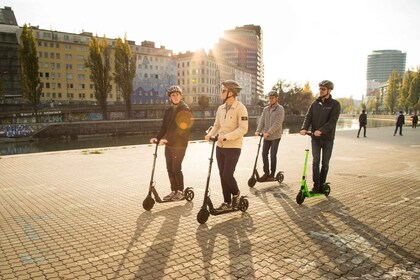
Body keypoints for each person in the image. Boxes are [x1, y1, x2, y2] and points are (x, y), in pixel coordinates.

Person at [205, 80, 248, 211]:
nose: (221, 93)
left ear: (231, 93)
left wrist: (227, 137)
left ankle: (236, 193)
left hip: (233, 147)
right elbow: (217, 125)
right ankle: (227, 202)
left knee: (227, 175)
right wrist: (210, 134)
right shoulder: (220, 108)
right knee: (222, 175)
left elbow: (243, 129)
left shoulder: (240, 108)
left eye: (223, 90)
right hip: (220, 146)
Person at [149, 85, 192, 201]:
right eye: (173, 95)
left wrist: (168, 139)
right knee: (169, 168)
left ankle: (181, 192)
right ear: (170, 98)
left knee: (176, 168)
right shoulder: (168, 111)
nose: (176, 97)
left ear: (180, 95)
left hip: (180, 144)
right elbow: (164, 128)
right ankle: (174, 191)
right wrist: (157, 138)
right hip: (169, 144)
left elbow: (182, 128)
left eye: (177, 94)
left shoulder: (185, 109)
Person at [300, 80, 341, 194]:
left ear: (329, 90)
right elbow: (308, 117)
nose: (321, 91)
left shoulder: (335, 104)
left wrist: (321, 131)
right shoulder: (314, 104)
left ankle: (322, 184)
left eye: (323, 89)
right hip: (315, 139)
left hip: (328, 139)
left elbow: (332, 122)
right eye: (320, 89)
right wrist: (304, 128)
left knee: (325, 163)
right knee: (315, 162)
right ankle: (316, 185)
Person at [255, 90, 285, 180]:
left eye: (272, 98)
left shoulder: (280, 109)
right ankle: (266, 173)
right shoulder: (266, 109)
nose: (271, 100)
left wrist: (269, 132)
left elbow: (277, 123)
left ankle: (272, 174)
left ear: (276, 98)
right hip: (266, 137)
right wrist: (258, 130)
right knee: (264, 154)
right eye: (269, 98)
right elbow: (262, 121)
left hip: (275, 137)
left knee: (272, 155)